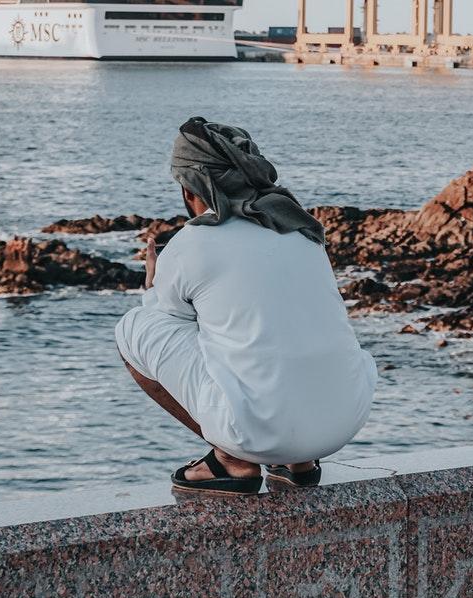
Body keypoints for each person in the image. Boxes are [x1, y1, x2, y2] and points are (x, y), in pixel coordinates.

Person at [115, 117, 376, 496]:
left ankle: (232, 460)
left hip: (259, 432)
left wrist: (151, 288)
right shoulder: (302, 229)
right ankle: (298, 463)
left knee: (133, 328)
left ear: (190, 189)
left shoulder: (193, 242)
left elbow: (166, 320)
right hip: (345, 420)